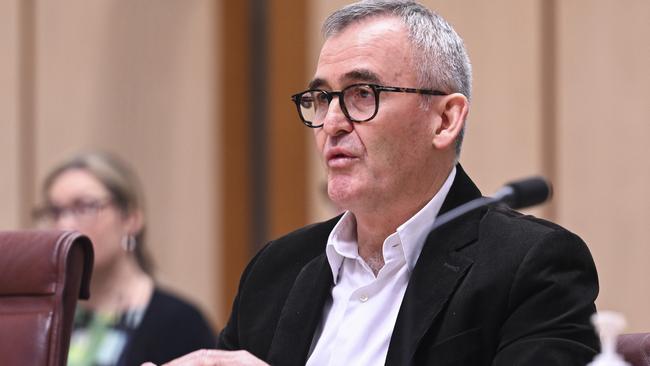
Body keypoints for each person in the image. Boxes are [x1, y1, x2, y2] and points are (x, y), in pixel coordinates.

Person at [155, 1, 599, 365]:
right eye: (321, 98)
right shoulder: (278, 268)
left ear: (445, 119)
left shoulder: (531, 265)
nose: (331, 122)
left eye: (361, 94)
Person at [33, 151, 216, 366]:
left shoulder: (181, 322)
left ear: (131, 218)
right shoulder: (43, 317)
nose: (64, 226)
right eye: (55, 212)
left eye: (85, 207)